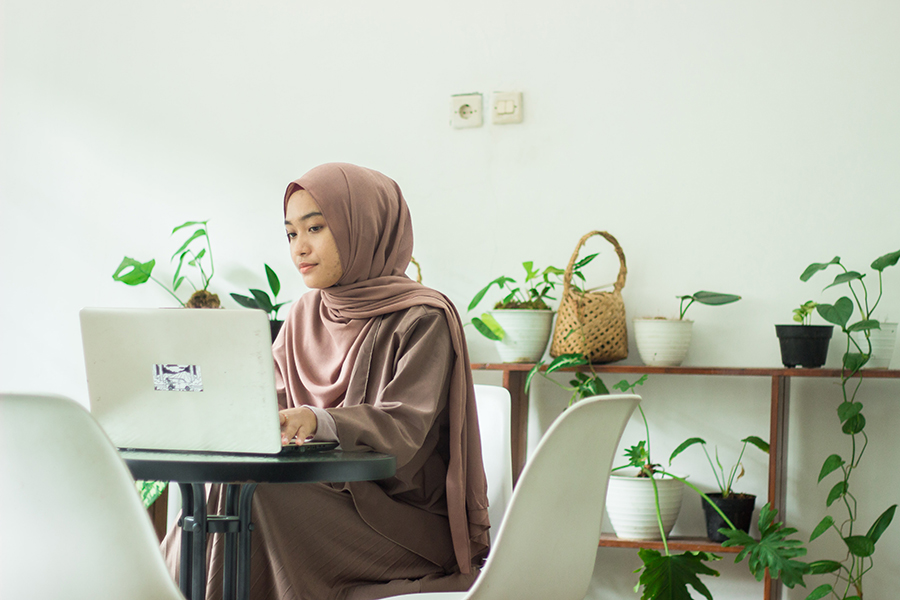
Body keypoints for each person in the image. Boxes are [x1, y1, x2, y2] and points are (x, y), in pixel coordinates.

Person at [163, 163, 490, 600]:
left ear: (366, 229)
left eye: (315, 228)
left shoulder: (421, 318)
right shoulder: (302, 315)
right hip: (317, 499)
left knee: (259, 500)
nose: (300, 248)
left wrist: (318, 421)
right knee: (226, 489)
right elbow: (268, 402)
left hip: (398, 519)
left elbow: (404, 426)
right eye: (291, 234)